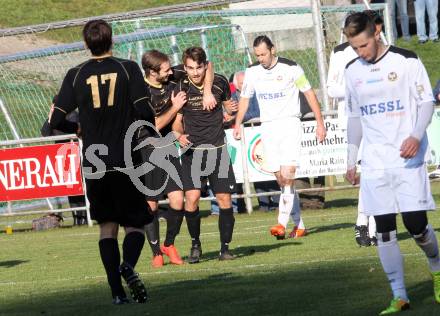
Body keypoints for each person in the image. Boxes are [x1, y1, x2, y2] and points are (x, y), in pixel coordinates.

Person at [49, 20, 153, 304]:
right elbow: (144, 111)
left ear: (85, 43)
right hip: (125, 159)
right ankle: (128, 266)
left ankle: (117, 294)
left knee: (107, 226)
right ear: (112, 40)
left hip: (94, 162)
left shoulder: (76, 73)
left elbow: (54, 120)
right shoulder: (127, 68)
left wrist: (76, 129)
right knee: (135, 225)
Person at [344, 12, 440, 313]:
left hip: (407, 158)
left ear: (377, 31)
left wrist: (415, 135)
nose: (360, 52)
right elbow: (355, 116)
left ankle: (437, 266)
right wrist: (351, 158)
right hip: (375, 162)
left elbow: (426, 102)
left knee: (416, 225)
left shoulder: (406, 61)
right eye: (354, 47)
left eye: (363, 45)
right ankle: (399, 295)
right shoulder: (352, 71)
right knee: (383, 229)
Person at [233, 35, 326, 240]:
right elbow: (245, 99)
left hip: (290, 123)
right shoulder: (252, 72)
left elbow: (310, 94)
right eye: (257, 55)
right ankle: (299, 225)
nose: (261, 59)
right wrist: (237, 123)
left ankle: (281, 223)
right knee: (282, 179)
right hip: (268, 128)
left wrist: (320, 123)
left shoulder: (291, 68)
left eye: (264, 54)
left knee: (289, 173)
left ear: (273, 50)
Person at [173, 46, 238, 262]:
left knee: (224, 199)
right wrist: (178, 136)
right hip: (192, 152)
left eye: (199, 67)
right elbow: (176, 124)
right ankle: (195, 245)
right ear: (185, 67)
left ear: (204, 65)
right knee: (191, 200)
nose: (195, 72)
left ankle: (225, 248)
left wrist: (231, 114)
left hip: (218, 151)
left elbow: (231, 109)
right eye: (190, 68)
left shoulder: (219, 82)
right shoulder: (180, 86)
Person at [327, 10, 384, 247]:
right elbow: (331, 88)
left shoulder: (382, 48)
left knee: (375, 174)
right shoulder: (340, 53)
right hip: (353, 119)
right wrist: (355, 88)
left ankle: (370, 226)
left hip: (378, 118)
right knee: (367, 174)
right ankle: (365, 223)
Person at [41, 95, 87, 226]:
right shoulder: (54, 118)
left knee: (79, 189)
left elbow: (72, 132)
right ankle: (77, 218)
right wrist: (50, 117)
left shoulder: (73, 116)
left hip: (75, 156)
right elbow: (45, 133)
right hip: (64, 158)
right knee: (71, 190)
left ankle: (83, 218)